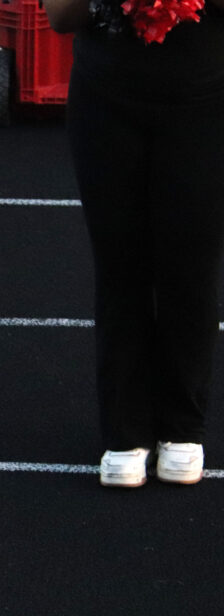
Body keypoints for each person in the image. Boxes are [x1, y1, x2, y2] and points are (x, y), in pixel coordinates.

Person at [45, 0, 224, 487]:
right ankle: (125, 432)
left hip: (206, 101)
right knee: (119, 262)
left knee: (192, 264)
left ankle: (182, 429)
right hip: (107, 102)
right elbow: (59, 17)